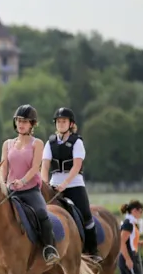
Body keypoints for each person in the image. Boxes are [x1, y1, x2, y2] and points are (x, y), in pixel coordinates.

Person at [0, 104, 59, 268]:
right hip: (11, 190)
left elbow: (35, 168)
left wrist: (23, 181)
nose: (21, 124)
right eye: (18, 121)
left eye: (25, 121)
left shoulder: (37, 143)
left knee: (42, 213)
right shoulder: (7, 144)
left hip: (31, 190)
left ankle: (49, 249)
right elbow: (4, 167)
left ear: (32, 124)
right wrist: (4, 183)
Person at [41, 107, 100, 263]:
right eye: (58, 121)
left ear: (70, 123)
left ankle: (92, 251)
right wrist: (45, 183)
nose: (60, 124)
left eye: (64, 121)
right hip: (54, 185)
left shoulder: (77, 142)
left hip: (74, 184)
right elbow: (45, 166)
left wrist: (65, 184)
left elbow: (76, 166)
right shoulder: (50, 142)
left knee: (86, 216)